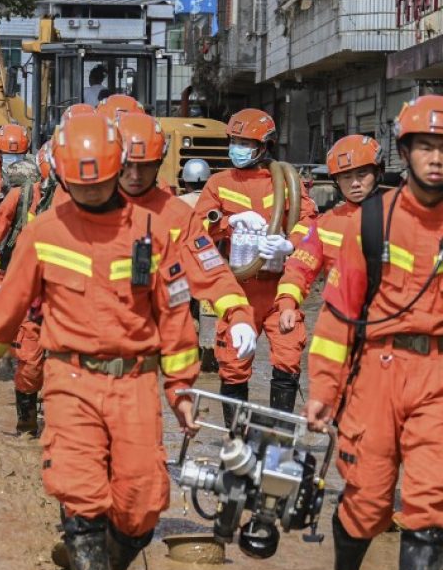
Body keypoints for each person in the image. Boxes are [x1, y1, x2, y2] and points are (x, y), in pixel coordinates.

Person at [0, 113, 231, 570]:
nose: (89, 194)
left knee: (142, 504)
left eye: (99, 183)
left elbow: (175, 317)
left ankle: (111, 564)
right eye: (78, 186)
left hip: (133, 384)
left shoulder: (152, 234)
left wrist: (180, 390)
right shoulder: (42, 234)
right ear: (61, 176)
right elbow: (4, 311)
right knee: (81, 494)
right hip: (70, 381)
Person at [304, 96, 443, 570]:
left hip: (437, 374)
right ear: (405, 152)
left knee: (432, 503)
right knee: (366, 503)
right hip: (377, 375)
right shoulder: (371, 220)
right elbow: (338, 314)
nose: (437, 159)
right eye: (427, 147)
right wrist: (323, 391)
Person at [186, 108, 317, 421]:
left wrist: (290, 243)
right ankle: (237, 437)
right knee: (232, 361)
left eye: (245, 142)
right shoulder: (219, 183)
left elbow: (309, 221)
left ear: (264, 146)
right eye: (234, 140)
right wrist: (229, 222)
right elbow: (196, 229)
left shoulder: (286, 181)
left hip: (278, 286)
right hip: (238, 288)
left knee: (288, 355)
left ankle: (280, 437)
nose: (237, 148)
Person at [117, 112, 258, 353]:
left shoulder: (178, 216)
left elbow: (211, 270)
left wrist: (238, 315)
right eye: (127, 166)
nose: (135, 176)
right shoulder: (82, 212)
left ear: (159, 162)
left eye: (145, 166)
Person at [0, 143, 57, 434]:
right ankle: (27, 422)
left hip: (71, 301)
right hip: (28, 295)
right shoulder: (20, 198)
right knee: (30, 363)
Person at [275, 135, 383, 333]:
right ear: (336, 181)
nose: (355, 183)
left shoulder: (399, 218)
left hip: (389, 323)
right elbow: (299, 267)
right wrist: (288, 304)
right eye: (346, 177)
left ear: (377, 173)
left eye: (362, 174)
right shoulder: (326, 224)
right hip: (340, 324)